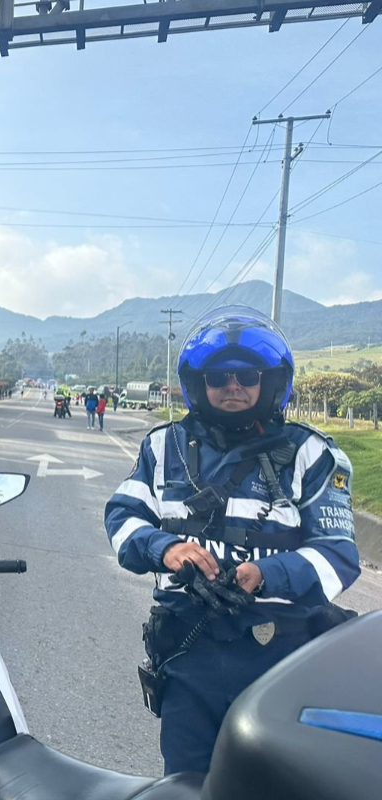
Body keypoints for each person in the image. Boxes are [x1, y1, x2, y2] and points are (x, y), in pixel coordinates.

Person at [104, 305, 359, 775]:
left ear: (270, 380)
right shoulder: (164, 447)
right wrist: (167, 549)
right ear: (200, 383)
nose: (233, 386)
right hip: (188, 654)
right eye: (220, 376)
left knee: (274, 785)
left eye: (247, 374)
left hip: (279, 657)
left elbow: (337, 556)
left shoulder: (311, 453)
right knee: (186, 783)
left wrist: (265, 575)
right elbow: (123, 517)